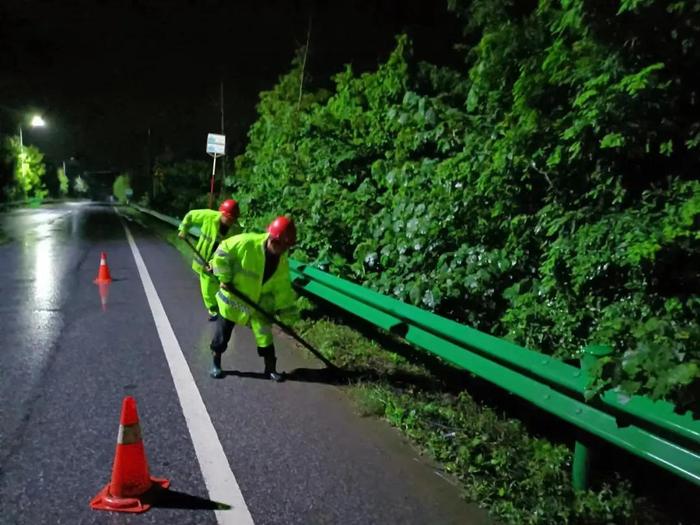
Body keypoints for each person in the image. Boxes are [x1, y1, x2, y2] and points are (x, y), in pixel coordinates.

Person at [208, 216, 298, 380]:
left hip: (259, 304)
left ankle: (270, 368)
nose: (280, 250)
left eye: (285, 247)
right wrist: (225, 278)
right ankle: (216, 362)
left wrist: (288, 321)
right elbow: (222, 251)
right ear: (271, 237)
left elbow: (283, 291)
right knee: (223, 334)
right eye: (278, 244)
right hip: (233, 299)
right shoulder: (247, 243)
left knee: (265, 335)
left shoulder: (282, 262)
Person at [178, 199, 241, 321]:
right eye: (228, 218)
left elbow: (231, 252)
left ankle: (227, 308)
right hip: (203, 259)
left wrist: (213, 264)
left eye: (232, 219)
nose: (230, 222)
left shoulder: (234, 231)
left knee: (222, 284)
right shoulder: (209, 216)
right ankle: (213, 309)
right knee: (207, 285)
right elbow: (191, 215)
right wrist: (183, 229)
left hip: (220, 261)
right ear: (222, 214)